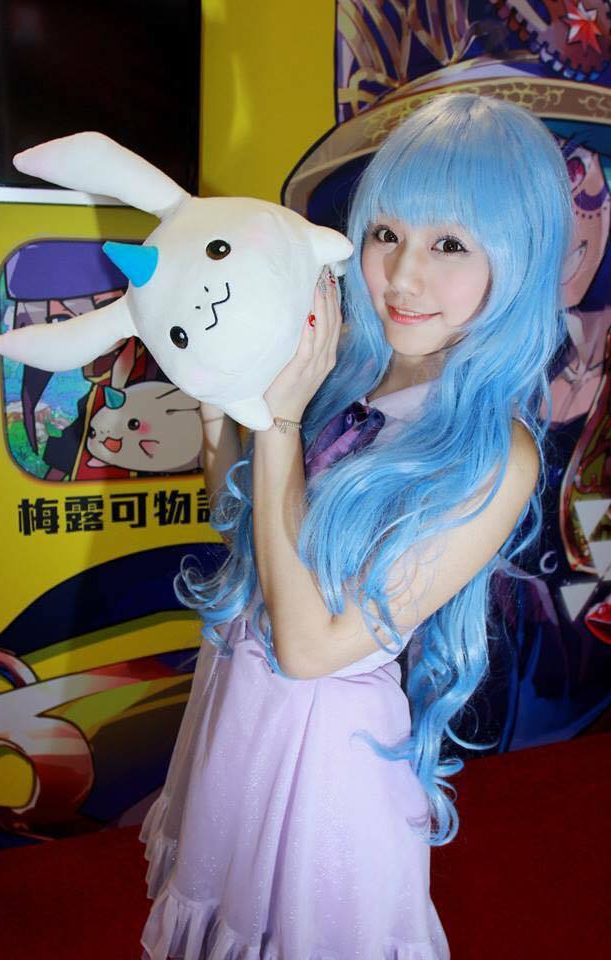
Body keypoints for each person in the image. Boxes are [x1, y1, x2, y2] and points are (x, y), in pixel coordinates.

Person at [139, 93, 572, 959]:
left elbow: (313, 648)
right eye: (386, 234)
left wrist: (280, 424)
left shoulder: (497, 452)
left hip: (324, 757)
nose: (403, 275)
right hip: (242, 704)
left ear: (519, 258)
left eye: (450, 244)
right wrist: (224, 396)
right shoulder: (347, 372)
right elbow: (243, 528)